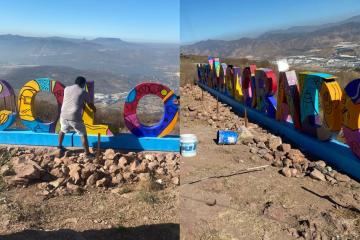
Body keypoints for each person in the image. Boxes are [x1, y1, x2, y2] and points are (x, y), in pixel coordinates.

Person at [58, 76, 96, 157]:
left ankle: (59, 146)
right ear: (83, 84)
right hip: (74, 116)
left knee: (62, 130)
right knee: (83, 134)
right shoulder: (83, 92)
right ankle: (87, 153)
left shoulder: (66, 89)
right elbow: (90, 105)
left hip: (63, 114)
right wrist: (95, 110)